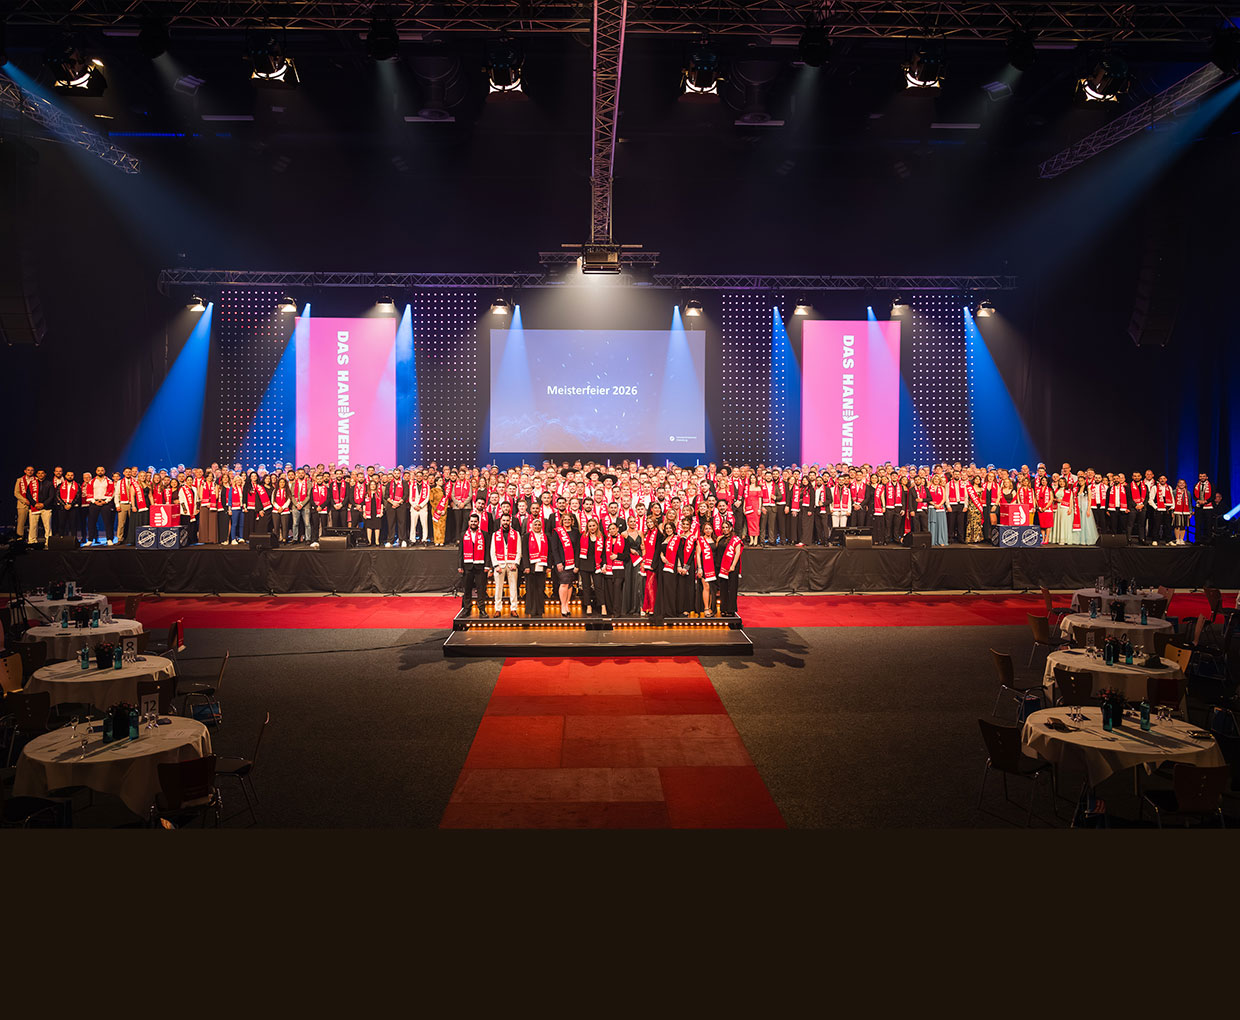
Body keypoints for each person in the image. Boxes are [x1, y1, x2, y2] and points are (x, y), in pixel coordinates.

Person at [458, 512, 488, 617]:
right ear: (468, 522)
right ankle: (467, 609)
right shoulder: (463, 534)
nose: (473, 523)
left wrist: (487, 566)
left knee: (481, 589)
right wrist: (460, 566)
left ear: (478, 522)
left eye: (475, 521)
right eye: (472, 521)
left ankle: (482, 609)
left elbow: (487, 551)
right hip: (467, 566)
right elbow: (460, 551)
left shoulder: (484, 534)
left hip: (480, 566)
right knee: (467, 589)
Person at [551, 511, 579, 617]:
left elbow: (577, 549)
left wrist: (577, 563)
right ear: (562, 521)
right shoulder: (557, 532)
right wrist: (558, 562)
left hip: (572, 562)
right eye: (565, 519)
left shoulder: (576, 532)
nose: (567, 521)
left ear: (572, 521)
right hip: (562, 562)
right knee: (563, 583)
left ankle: (567, 604)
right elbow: (555, 548)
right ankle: (563, 605)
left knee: (570, 584)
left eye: (569, 519)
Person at [577, 517, 606, 615]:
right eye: (590, 526)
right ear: (587, 527)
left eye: (594, 525)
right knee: (586, 587)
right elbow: (578, 551)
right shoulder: (582, 536)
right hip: (584, 565)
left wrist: (604, 564)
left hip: (597, 565)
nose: (592, 528)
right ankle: (588, 605)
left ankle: (602, 606)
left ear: (597, 526)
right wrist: (577, 565)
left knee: (598, 586)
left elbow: (605, 553)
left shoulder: (602, 537)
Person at [716, 521, 743, 617]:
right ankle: (723, 608)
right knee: (723, 589)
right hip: (721, 567)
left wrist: (733, 565)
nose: (725, 529)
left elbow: (737, 553)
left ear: (731, 528)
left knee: (731, 589)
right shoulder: (720, 538)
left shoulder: (735, 539)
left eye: (727, 527)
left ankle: (731, 609)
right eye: (723, 527)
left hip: (732, 568)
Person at [523, 515, 549, 617]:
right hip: (531, 567)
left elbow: (549, 553)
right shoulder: (526, 536)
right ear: (532, 526)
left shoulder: (546, 536)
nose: (537, 526)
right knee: (530, 589)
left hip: (542, 566)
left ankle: (540, 610)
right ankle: (532, 610)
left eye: (539, 525)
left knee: (540, 589)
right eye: (535, 525)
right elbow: (524, 553)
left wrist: (548, 567)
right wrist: (526, 566)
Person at [84, 467, 116, 545]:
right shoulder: (92, 481)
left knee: (107, 522)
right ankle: (90, 540)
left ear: (104, 471)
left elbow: (112, 492)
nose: (100, 472)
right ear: (96, 471)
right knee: (91, 522)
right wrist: (95, 501)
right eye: (98, 470)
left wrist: (105, 501)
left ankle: (109, 539)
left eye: (102, 470)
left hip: (105, 503)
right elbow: (88, 492)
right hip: (94, 503)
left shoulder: (109, 481)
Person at [928, 472, 948, 547]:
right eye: (935, 479)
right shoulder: (929, 488)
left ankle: (941, 540)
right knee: (932, 524)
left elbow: (944, 498)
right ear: (932, 479)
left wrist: (939, 505)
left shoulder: (942, 488)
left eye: (938, 479)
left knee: (940, 524)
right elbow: (927, 498)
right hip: (931, 507)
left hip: (940, 508)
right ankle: (932, 540)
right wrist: (934, 504)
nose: (936, 480)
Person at [271, 478, 293, 543]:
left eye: (283, 482)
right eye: (280, 482)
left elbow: (289, 500)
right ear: (278, 483)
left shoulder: (288, 491)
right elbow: (273, 501)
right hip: (276, 511)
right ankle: (276, 539)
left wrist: (282, 508)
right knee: (276, 526)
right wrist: (278, 508)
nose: (282, 484)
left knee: (285, 526)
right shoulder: (275, 490)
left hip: (285, 511)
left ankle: (284, 539)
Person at [1172, 479, 1192, 545]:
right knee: (1177, 525)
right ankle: (1177, 539)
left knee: (1183, 526)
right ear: (1178, 484)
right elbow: (1172, 502)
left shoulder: (1188, 492)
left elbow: (1189, 503)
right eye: (1180, 483)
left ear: (1185, 484)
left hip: (1185, 511)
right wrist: (1172, 511)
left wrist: (1190, 512)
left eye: (1183, 483)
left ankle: (1182, 539)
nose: (1182, 484)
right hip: (1177, 511)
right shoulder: (1174, 492)